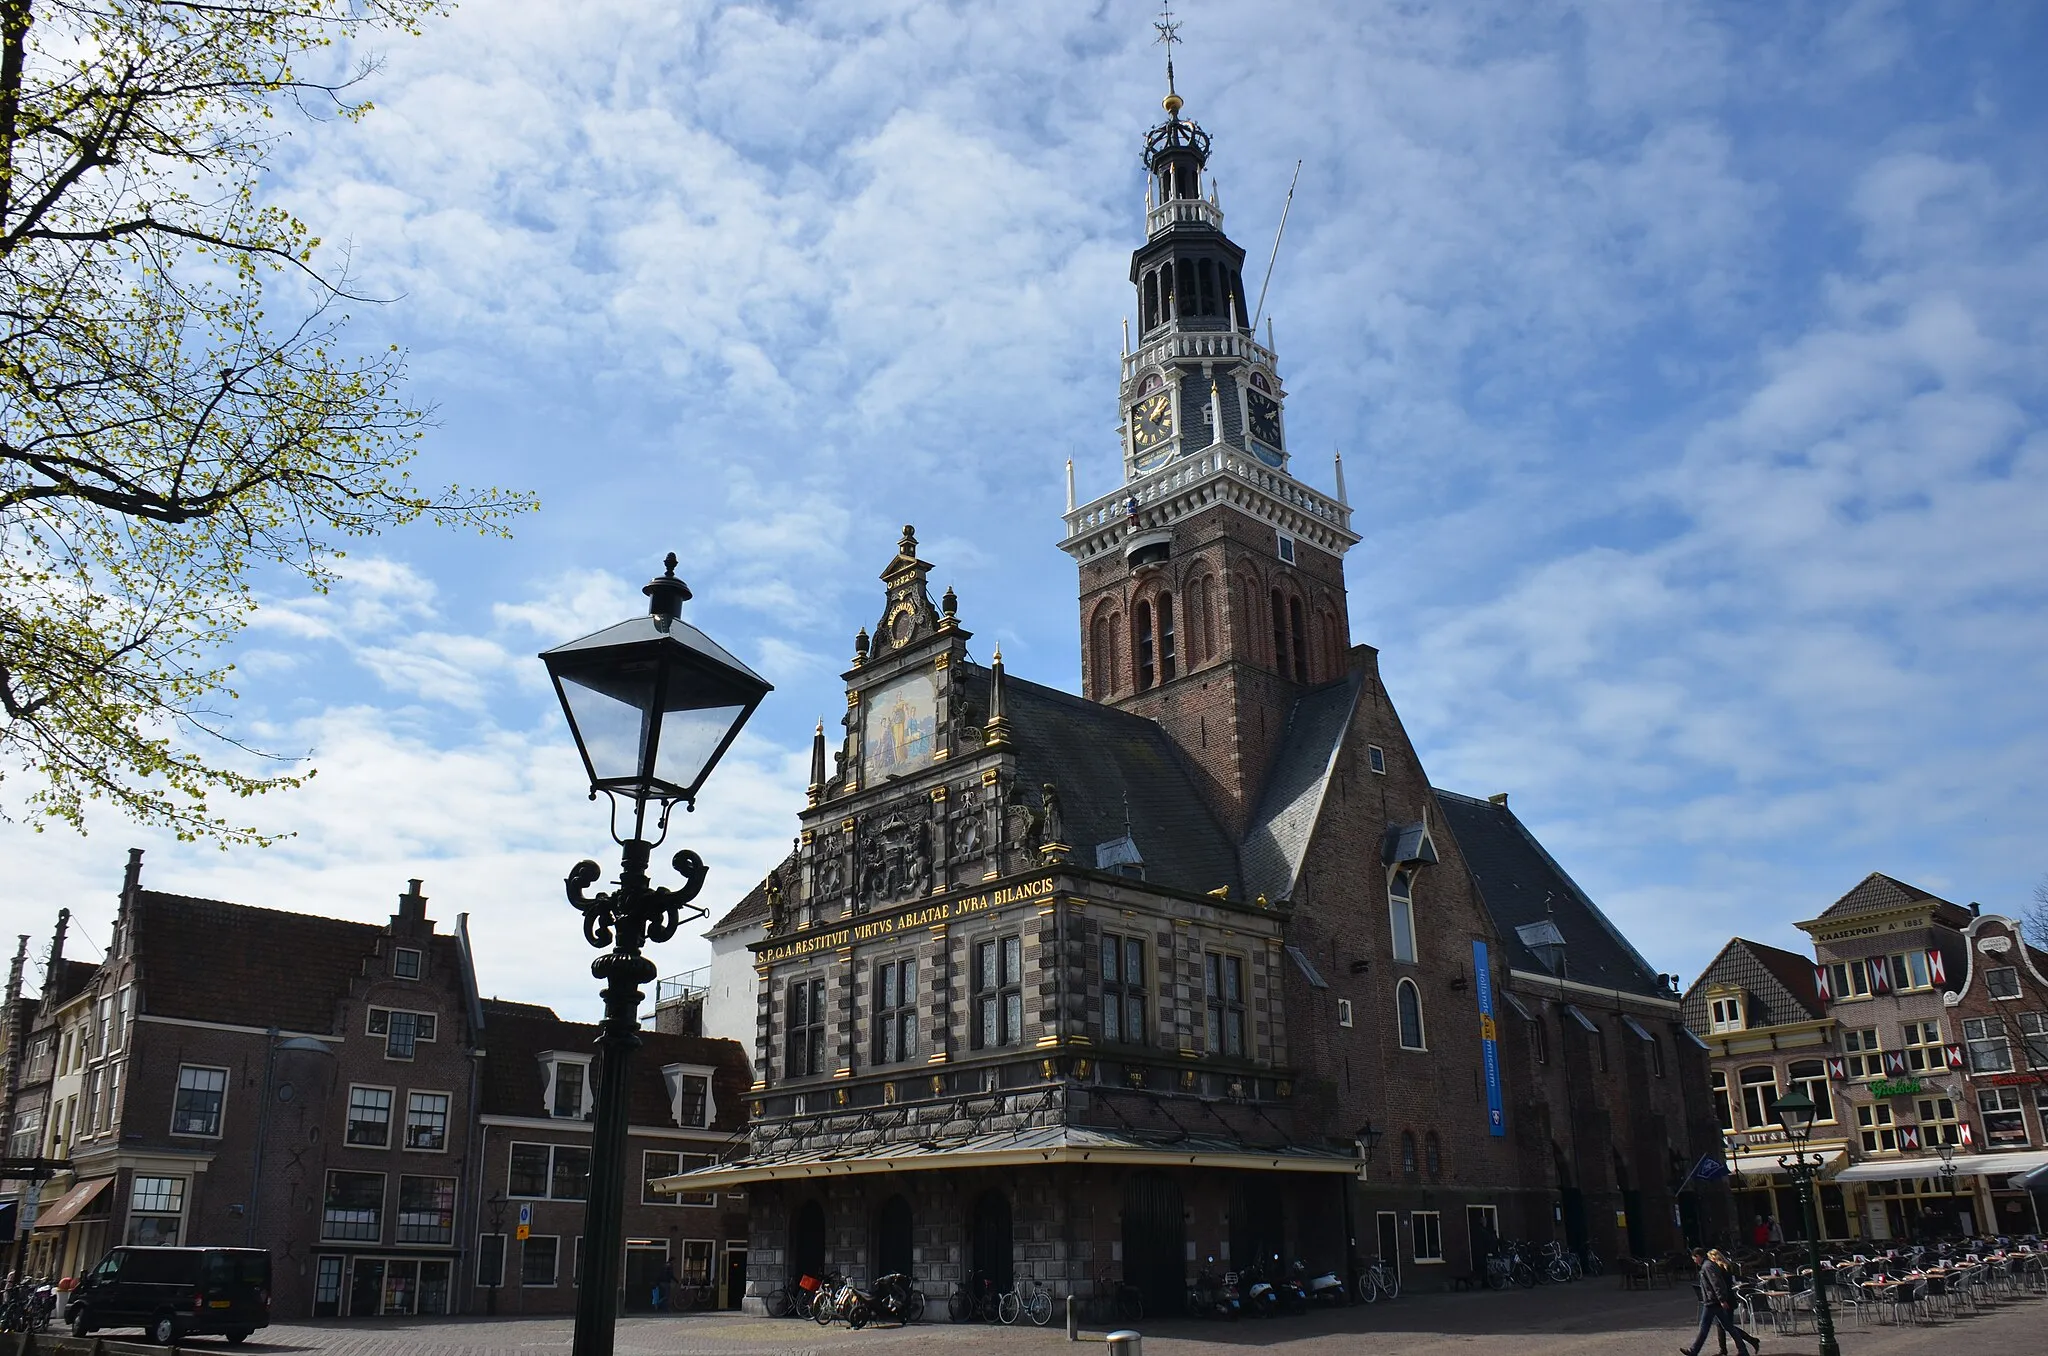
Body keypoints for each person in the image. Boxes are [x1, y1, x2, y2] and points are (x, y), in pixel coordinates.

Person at [1682, 1247, 1759, 1356]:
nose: (1694, 1261)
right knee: (1728, 1327)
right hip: (1715, 1301)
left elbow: (1716, 1283)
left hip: (1712, 1302)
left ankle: (1694, 1351)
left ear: (1698, 1256)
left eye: (1694, 1258)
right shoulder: (1709, 1265)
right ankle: (1743, 1350)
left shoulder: (1707, 1266)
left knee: (1705, 1327)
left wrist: (1721, 1299)